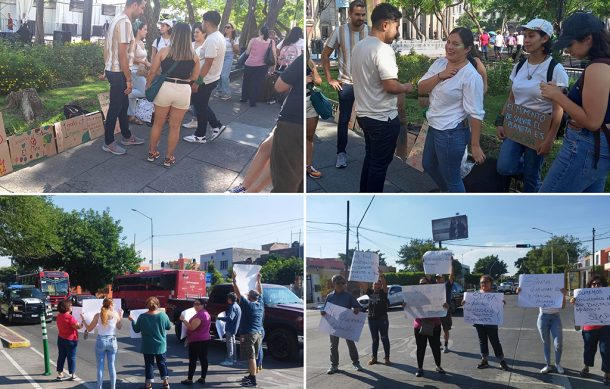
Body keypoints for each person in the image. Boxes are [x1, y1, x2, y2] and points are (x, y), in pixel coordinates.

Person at [539, 12, 610, 192]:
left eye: (570, 44)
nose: (567, 50)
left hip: (585, 147)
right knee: (586, 206)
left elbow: (593, 122)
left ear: (588, 39)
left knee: (544, 203)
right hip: (595, 148)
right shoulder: (603, 64)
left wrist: (558, 96)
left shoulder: (597, 68)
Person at [496, 19, 569, 192]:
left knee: (531, 178)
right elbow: (511, 97)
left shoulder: (555, 69)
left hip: (539, 131)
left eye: (531, 36)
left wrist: (549, 139)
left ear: (544, 39)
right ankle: (526, 169)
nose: (526, 40)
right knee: (504, 167)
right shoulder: (520, 65)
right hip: (515, 126)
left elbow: (558, 109)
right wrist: (501, 120)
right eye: (524, 36)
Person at [351, 3, 413, 193]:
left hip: (364, 115)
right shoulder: (383, 50)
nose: (396, 32)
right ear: (386, 25)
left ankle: (364, 195)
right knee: (379, 165)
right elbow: (390, 86)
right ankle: (372, 199)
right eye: (396, 27)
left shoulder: (359, 46)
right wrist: (407, 87)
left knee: (371, 159)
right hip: (382, 118)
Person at [418, 27, 485, 192]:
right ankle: (448, 193)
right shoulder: (440, 63)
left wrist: (475, 145)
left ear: (468, 49)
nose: (449, 47)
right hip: (434, 126)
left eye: (456, 44)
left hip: (451, 132)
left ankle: (458, 207)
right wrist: (441, 75)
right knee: (428, 164)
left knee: (452, 178)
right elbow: (421, 88)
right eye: (448, 42)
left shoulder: (470, 76)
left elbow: (476, 113)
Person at [321, 0, 368, 169]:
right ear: (349, 14)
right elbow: (325, 55)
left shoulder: (370, 32)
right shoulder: (340, 32)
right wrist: (330, 79)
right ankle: (341, 153)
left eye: (363, 14)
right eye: (357, 14)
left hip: (366, 86)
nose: (361, 18)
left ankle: (370, 152)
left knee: (367, 119)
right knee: (344, 120)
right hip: (346, 84)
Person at [146, 22, 199, 168]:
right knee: (175, 127)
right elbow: (195, 77)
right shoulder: (194, 55)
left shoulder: (163, 51)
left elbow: (152, 71)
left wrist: (148, 84)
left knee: (158, 123)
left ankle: (152, 152)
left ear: (174, 34)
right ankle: (168, 158)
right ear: (188, 36)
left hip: (165, 87)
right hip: (183, 91)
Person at [102, 0, 146, 155]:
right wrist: (128, 79)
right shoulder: (125, 23)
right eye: (142, 7)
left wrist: (105, 67)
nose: (142, 11)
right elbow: (122, 54)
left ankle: (126, 135)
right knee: (115, 107)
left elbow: (107, 46)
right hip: (118, 71)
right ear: (134, 4)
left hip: (113, 69)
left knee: (123, 103)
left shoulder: (117, 19)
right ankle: (108, 142)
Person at [183, 11, 228, 144]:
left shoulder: (213, 39)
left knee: (200, 106)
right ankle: (213, 127)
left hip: (206, 79)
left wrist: (198, 81)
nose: (202, 24)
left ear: (207, 23)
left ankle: (203, 133)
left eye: (203, 21)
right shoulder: (217, 36)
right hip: (211, 78)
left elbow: (208, 63)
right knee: (201, 105)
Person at [269, 53, 304, 193]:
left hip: (292, 122)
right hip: (304, 119)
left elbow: (279, 86)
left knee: (285, 181)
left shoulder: (303, 59)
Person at [515, 285, 567, 374]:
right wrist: (520, 293)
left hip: (555, 317)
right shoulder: (539, 290)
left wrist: (564, 295)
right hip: (543, 317)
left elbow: (563, 306)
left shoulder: (558, 289)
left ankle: (557, 364)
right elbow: (528, 297)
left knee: (558, 343)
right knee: (545, 342)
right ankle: (547, 365)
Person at [570, 275, 610, 384]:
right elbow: (579, 312)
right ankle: (586, 367)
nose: (596, 285)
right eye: (594, 284)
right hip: (589, 328)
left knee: (606, 351)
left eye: (598, 283)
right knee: (588, 349)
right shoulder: (583, 296)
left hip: (605, 328)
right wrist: (575, 303)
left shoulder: (608, 295)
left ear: (603, 285)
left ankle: (607, 373)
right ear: (590, 285)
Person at [465, 275, 509, 371]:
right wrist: (464, 302)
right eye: (481, 282)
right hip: (479, 323)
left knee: (495, 342)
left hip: (491, 323)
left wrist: (502, 304)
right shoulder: (475, 294)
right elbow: (468, 305)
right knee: (482, 341)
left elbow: (499, 308)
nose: (483, 284)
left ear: (490, 283)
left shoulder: (495, 294)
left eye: (486, 282)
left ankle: (501, 361)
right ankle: (484, 360)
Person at [406, 277, 447, 377]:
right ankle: (420, 368)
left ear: (429, 284)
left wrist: (446, 306)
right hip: (419, 326)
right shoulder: (414, 296)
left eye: (424, 284)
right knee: (420, 348)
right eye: (420, 284)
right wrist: (405, 305)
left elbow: (444, 307)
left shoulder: (436, 295)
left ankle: (438, 366)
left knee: (436, 348)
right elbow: (409, 308)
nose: (422, 286)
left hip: (434, 325)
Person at [129, 296, 172, 389]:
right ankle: (166, 383)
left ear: (147, 306)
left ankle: (148, 385)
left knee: (149, 364)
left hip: (147, 345)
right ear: (158, 305)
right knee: (162, 363)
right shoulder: (163, 315)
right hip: (161, 345)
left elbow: (136, 330)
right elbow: (169, 327)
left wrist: (132, 320)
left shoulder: (142, 316)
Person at [322, 274, 362, 374]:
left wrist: (356, 309)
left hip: (346, 325)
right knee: (333, 345)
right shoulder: (330, 296)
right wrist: (322, 312)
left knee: (350, 343)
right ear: (334, 284)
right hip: (334, 325)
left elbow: (356, 306)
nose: (341, 285)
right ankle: (334, 365)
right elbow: (324, 309)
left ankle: (356, 362)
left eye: (343, 283)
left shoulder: (348, 296)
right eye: (339, 283)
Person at [81, 298, 123, 389]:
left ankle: (99, 387)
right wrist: (121, 316)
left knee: (100, 367)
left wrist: (83, 319)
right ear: (110, 305)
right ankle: (113, 387)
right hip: (112, 341)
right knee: (112, 366)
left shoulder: (98, 315)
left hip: (101, 340)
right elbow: (119, 327)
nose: (115, 306)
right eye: (114, 304)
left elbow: (89, 329)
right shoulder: (115, 314)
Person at [231, 271, 264, 387]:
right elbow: (260, 292)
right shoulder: (260, 303)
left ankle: (253, 380)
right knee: (253, 356)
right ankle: (251, 375)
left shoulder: (247, 305)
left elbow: (238, 294)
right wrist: (258, 280)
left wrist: (234, 280)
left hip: (248, 335)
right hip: (258, 333)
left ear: (249, 297)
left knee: (251, 358)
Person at [241, 26, 276, 107]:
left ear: (260, 32)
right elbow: (274, 54)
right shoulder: (271, 42)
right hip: (262, 66)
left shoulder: (253, 40)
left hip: (249, 64)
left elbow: (247, 52)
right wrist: (273, 66)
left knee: (246, 81)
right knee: (256, 83)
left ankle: (244, 98)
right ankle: (252, 101)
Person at [179, 298, 211, 385]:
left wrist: (183, 319)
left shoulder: (201, 315)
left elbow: (192, 327)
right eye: (194, 304)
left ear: (203, 305)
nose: (195, 306)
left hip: (197, 340)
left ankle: (190, 379)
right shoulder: (205, 313)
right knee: (203, 358)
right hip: (204, 338)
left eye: (198, 304)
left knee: (193, 360)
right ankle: (202, 377)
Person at [182, 23, 206, 130]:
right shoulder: (190, 44)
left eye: (197, 32)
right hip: (188, 75)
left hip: (200, 76)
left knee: (197, 99)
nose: (195, 34)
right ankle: (195, 118)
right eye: (194, 32)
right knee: (192, 98)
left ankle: (196, 120)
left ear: (204, 33)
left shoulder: (205, 46)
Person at [366, 270, 391, 365]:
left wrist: (381, 275)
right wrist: (361, 273)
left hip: (382, 318)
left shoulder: (383, 292)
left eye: (378, 283)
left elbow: (385, 284)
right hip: (371, 319)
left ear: (380, 285)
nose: (376, 285)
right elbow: (362, 284)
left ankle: (387, 358)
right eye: (374, 283)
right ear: (372, 285)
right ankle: (374, 358)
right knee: (375, 339)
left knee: (384, 338)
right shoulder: (370, 292)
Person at [128, 20, 151, 125]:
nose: (146, 31)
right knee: (145, 92)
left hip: (141, 71)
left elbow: (144, 58)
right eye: (145, 29)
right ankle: (125, 94)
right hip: (134, 71)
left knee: (135, 94)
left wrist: (148, 63)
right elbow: (130, 58)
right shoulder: (133, 42)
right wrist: (144, 62)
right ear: (139, 30)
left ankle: (131, 115)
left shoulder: (142, 42)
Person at [56, 299, 83, 381]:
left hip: (61, 338)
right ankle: (72, 374)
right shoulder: (70, 317)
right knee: (71, 357)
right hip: (71, 340)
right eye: (70, 305)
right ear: (67, 307)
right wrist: (83, 321)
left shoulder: (59, 316)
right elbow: (78, 326)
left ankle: (60, 373)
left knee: (61, 356)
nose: (72, 306)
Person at [306, 51, 323, 179]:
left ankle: (308, 166)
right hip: (296, 104)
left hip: (311, 103)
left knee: (309, 136)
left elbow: (319, 82)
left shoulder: (310, 63)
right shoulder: (294, 63)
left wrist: (314, 74)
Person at [215, 22, 239, 100]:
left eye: (228, 27)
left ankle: (227, 93)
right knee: (219, 75)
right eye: (225, 27)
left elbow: (237, 51)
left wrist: (232, 43)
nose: (226, 28)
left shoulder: (235, 38)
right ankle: (219, 90)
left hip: (229, 56)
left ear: (232, 29)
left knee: (224, 76)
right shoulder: (222, 37)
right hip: (220, 56)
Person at [218, 292, 241, 366]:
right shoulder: (237, 306)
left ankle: (230, 360)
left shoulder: (232, 307)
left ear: (230, 299)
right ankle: (234, 358)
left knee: (229, 344)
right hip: (235, 328)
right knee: (233, 343)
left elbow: (230, 318)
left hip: (230, 328)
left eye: (228, 298)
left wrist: (219, 318)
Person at [435, 269, 455, 353]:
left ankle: (446, 346)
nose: (438, 279)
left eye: (440, 277)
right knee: (436, 329)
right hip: (436, 311)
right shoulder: (433, 287)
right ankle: (438, 345)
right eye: (437, 278)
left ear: (443, 278)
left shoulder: (447, 285)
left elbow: (451, 275)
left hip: (445, 311)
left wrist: (450, 263)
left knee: (445, 329)